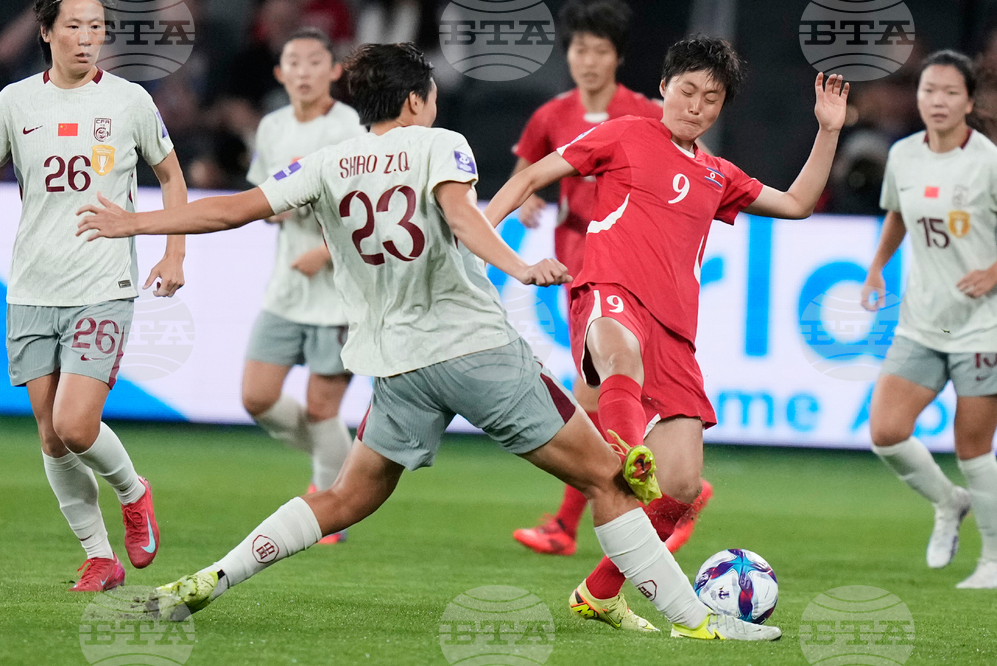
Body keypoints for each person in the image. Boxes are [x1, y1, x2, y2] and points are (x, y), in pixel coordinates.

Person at [77, 43, 781, 642]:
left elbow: (233, 209)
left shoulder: (329, 161)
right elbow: (463, 218)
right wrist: (517, 263)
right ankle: (695, 621)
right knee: (611, 478)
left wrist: (132, 223)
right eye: (433, 92)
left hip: (396, 366)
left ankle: (214, 575)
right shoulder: (441, 146)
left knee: (345, 497)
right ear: (415, 102)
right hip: (475, 351)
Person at [486, 35, 848, 632]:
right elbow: (532, 177)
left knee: (678, 490)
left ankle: (599, 594)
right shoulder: (624, 133)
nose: (696, 105)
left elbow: (798, 203)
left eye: (711, 97)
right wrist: (484, 241)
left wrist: (828, 130)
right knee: (618, 357)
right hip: (609, 292)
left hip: (676, 333)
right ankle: (627, 452)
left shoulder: (716, 173)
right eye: (687, 90)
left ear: (721, 107)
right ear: (663, 87)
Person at [509, 0, 713, 577]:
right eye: (579, 49)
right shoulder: (552, 113)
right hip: (574, 263)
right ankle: (672, 487)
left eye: (600, 50)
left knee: (594, 393)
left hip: (622, 269)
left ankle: (572, 522)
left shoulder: (645, 114)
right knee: (599, 394)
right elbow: (528, 171)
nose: (588, 60)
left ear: (619, 58)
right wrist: (527, 201)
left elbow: (691, 174)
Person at [0, 0, 187, 591]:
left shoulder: (129, 100)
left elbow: (173, 177)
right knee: (51, 436)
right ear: (47, 31)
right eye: (74, 26)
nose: (87, 38)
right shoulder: (13, 102)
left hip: (103, 286)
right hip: (32, 287)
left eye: (97, 27)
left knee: (76, 425)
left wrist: (174, 251)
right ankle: (100, 558)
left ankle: (134, 493)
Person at [861, 50, 997, 589]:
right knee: (887, 432)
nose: (937, 101)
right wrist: (876, 267)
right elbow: (897, 213)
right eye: (928, 91)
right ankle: (949, 502)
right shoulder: (903, 156)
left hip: (982, 325)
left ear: (969, 101)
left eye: (949, 93)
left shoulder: (987, 160)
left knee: (973, 449)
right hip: (923, 321)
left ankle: (992, 563)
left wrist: (992, 273)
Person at [242, 27, 366, 545]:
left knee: (321, 408)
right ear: (280, 73)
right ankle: (340, 459)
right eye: (293, 62)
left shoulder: (353, 126)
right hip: (286, 289)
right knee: (257, 398)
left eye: (315, 61)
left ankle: (327, 505)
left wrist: (325, 249)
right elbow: (261, 194)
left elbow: (365, 203)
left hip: (339, 290)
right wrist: (278, 212)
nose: (304, 71)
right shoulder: (271, 126)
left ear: (334, 70)